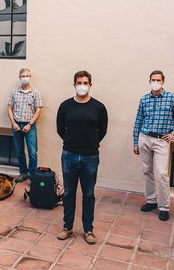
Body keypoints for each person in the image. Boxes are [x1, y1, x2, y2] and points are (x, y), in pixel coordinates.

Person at [56, 71, 108, 245]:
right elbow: (60, 129)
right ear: (74, 85)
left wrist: (90, 143)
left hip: (90, 156)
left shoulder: (99, 107)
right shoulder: (65, 106)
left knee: (88, 194)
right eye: (79, 82)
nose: (82, 85)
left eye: (85, 82)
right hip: (69, 155)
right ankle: (67, 227)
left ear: (90, 85)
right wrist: (72, 141)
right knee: (69, 192)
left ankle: (88, 229)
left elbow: (103, 130)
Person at [133, 70, 174, 221]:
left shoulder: (171, 98)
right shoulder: (144, 99)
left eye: (158, 80)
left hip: (161, 141)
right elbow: (138, 121)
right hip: (144, 138)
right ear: (149, 81)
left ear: (163, 82)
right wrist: (135, 141)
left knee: (161, 173)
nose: (155, 82)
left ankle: (163, 207)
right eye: (153, 80)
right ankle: (151, 200)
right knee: (146, 170)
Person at [7, 68, 43, 182]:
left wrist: (30, 124)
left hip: (30, 126)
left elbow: (38, 110)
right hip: (16, 125)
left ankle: (32, 176)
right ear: (20, 77)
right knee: (19, 151)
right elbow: (9, 108)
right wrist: (13, 123)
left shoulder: (35, 92)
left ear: (30, 77)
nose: (25, 78)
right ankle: (23, 173)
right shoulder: (14, 92)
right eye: (23, 76)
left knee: (32, 152)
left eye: (27, 76)